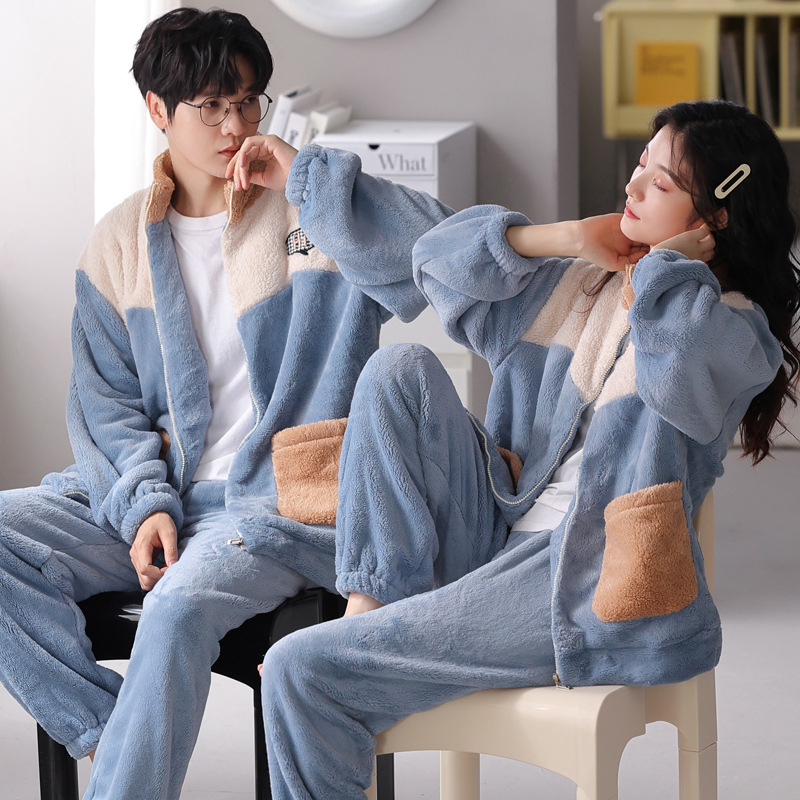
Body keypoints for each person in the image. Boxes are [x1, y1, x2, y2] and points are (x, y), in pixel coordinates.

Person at [234, 100, 800, 799]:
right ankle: (368, 611)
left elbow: (676, 363)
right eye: (639, 166)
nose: (631, 187)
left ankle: (354, 650)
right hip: (492, 535)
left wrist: (668, 267)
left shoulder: (736, 333)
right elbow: (430, 255)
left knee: (298, 669)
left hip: (578, 580)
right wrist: (565, 238)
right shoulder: (585, 286)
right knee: (397, 370)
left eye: (659, 183)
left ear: (714, 219)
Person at [0, 8, 451, 800]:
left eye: (247, 102)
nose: (235, 125)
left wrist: (309, 178)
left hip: (272, 504)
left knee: (175, 610)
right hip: (159, 497)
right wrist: (144, 503)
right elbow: (104, 404)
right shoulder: (117, 244)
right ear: (157, 109)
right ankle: (115, 734)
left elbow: (442, 255)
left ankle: (127, 770)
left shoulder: (306, 218)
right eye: (210, 106)